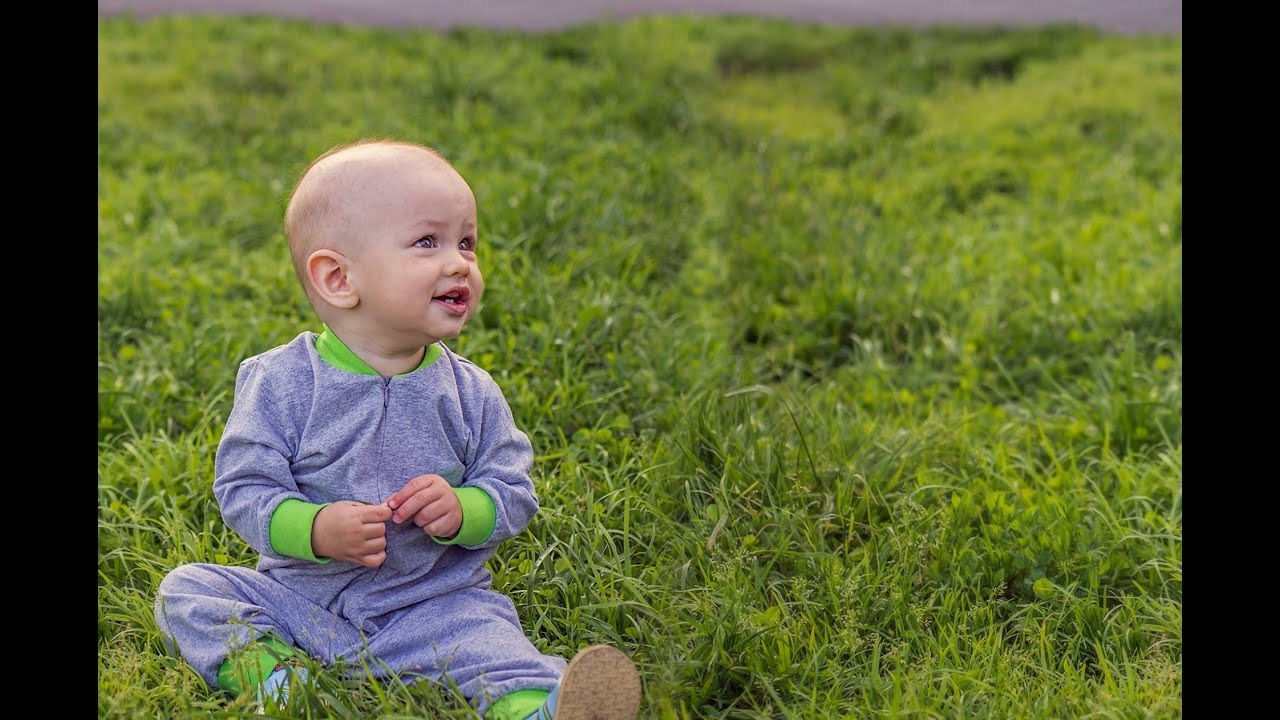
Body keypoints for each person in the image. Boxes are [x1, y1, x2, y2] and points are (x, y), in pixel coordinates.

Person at [153, 138, 642, 720]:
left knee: (494, 646)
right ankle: (278, 682)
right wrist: (315, 529)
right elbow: (243, 489)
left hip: (433, 605)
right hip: (302, 602)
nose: (459, 262)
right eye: (427, 242)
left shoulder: (470, 394)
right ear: (339, 278)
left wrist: (465, 508)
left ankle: (541, 708)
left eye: (467, 242)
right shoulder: (280, 383)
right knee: (189, 592)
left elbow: (513, 489)